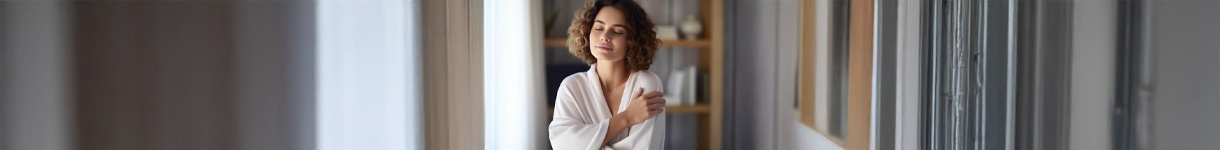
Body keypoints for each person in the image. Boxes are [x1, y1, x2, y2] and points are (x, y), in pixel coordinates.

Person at [547, 0, 667, 149]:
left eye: (617, 31)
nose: (604, 36)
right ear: (588, 31)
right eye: (598, 28)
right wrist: (626, 118)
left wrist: (587, 143)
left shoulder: (646, 83)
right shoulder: (571, 87)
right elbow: (562, 144)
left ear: (633, 40)